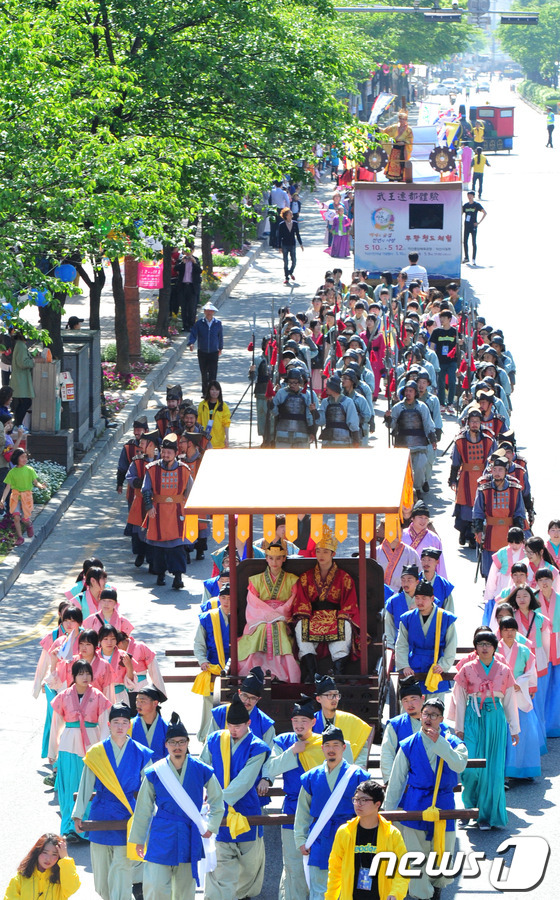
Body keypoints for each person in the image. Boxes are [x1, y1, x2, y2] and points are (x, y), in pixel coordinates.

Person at [264, 698, 353, 900]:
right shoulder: (284, 741)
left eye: (304, 720)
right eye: (295, 720)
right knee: (294, 865)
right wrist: (292, 752)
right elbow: (270, 768)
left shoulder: (326, 742)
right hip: (293, 809)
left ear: (313, 722)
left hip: (326, 812)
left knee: (326, 866)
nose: (299, 724)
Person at [129, 713, 224, 900]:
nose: (177, 746)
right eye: (172, 742)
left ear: (188, 743)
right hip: (161, 833)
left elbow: (217, 798)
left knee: (184, 892)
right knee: (155, 887)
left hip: (189, 834)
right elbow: (143, 808)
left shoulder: (201, 769)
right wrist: (139, 838)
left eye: (181, 742)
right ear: (166, 745)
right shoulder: (155, 772)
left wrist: (211, 826)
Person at [385, 698, 467, 900]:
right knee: (414, 855)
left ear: (441, 718)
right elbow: (396, 781)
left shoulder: (453, 742)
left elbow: (459, 766)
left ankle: (436, 887)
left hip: (443, 804)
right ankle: (424, 895)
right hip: (415, 803)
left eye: (434, 715)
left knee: (442, 852)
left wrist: (440, 744)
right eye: (425, 714)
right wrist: (389, 811)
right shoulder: (408, 744)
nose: (428, 718)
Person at [72, 702, 154, 900]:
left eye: (124, 722)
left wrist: (149, 816)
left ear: (129, 725)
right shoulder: (97, 752)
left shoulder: (141, 752)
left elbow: (151, 787)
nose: (120, 726)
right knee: (101, 876)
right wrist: (77, 816)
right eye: (116, 722)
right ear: (108, 725)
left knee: (122, 870)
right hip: (101, 813)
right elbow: (85, 786)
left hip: (128, 814)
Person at [201, 695, 271, 900]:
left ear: (248, 723)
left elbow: (245, 781)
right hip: (218, 812)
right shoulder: (215, 739)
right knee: (220, 866)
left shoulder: (257, 747)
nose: (233, 730)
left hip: (246, 809)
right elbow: (203, 767)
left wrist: (217, 800)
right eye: (230, 725)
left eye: (238, 726)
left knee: (249, 866)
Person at [450, 631, 519, 829]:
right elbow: (460, 699)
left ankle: (486, 815)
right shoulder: (466, 669)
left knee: (492, 769)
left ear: (494, 647)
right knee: (470, 766)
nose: (485, 647)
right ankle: (469, 807)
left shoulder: (504, 670)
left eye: (489, 644)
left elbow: (509, 700)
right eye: (480, 644)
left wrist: (514, 728)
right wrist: (459, 727)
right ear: (476, 647)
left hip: (495, 718)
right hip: (473, 716)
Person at [293, 724, 369, 900]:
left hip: (350, 837)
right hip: (320, 836)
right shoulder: (311, 777)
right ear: (322, 748)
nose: (331, 749)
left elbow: (368, 811)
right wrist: (301, 839)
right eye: (327, 745)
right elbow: (303, 811)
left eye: (336, 745)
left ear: (344, 747)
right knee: (320, 889)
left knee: (350, 887)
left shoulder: (358, 776)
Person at [49, 660, 112, 842]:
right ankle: (70, 829)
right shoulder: (63, 696)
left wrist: (103, 750)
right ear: (74, 676)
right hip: (69, 745)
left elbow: (105, 725)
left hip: (92, 745)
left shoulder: (98, 696)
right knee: (69, 787)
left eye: (88, 673)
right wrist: (52, 751)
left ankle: (88, 827)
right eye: (80, 674)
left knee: (89, 787)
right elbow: (56, 724)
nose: (85, 677)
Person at [293, 524, 361, 680]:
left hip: (336, 616)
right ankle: (311, 673)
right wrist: (306, 615)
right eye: (318, 551)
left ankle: (338, 672)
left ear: (333, 553)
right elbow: (301, 601)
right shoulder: (306, 577)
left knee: (345, 625)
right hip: (312, 615)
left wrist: (342, 615)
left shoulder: (344, 577)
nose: (321, 555)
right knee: (299, 625)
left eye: (325, 551)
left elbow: (350, 604)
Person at [325, 779, 409, 900]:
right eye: (356, 799)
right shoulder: (344, 832)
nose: (358, 804)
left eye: (364, 800)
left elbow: (403, 868)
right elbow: (334, 870)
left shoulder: (392, 834)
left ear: (377, 804)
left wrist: (396, 893)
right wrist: (330, 897)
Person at [237, 540, 300, 681]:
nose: (274, 562)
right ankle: (257, 669)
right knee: (262, 629)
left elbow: (293, 601)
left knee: (277, 628)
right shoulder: (255, 580)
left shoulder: (292, 579)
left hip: (282, 618)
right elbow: (253, 603)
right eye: (271, 558)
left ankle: (282, 673)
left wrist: (278, 615)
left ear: (284, 558)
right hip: (260, 618)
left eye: (278, 558)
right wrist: (268, 616)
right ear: (266, 559)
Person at [141, 433, 193, 589]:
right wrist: (149, 506)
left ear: (176, 454)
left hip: (177, 513)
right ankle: (160, 574)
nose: (165, 455)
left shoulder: (184, 470)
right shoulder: (152, 469)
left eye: (169, 452)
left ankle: (178, 576)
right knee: (159, 547)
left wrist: (189, 510)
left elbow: (190, 491)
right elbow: (146, 490)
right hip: (158, 512)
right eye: (163, 452)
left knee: (177, 547)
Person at [497, 617, 541, 782]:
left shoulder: (524, 650)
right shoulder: (494, 651)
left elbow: (531, 672)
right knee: (503, 734)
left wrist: (520, 683)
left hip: (518, 693)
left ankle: (525, 768)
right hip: (500, 696)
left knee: (526, 731)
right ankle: (505, 773)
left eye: (513, 630)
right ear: (500, 631)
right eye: (506, 630)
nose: (509, 633)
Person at [396, 582, 457, 698]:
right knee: (412, 705)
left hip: (435, 665)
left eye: (424, 598)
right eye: (417, 598)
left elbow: (451, 644)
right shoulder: (407, 618)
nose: (420, 601)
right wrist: (405, 665)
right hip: (413, 665)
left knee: (435, 709)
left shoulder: (445, 617)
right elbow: (401, 644)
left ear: (432, 598)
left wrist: (443, 665)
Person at [449, 407, 496, 547]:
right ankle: (465, 533)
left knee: (481, 505)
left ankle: (476, 535)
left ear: (481, 423)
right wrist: (452, 479)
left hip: (483, 477)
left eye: (477, 421)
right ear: (467, 422)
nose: (474, 424)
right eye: (472, 421)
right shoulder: (460, 441)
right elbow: (456, 462)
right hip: (465, 478)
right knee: (465, 507)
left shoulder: (488, 440)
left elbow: (493, 461)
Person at [472, 457, 526, 578]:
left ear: (506, 471)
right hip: (490, 532)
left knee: (511, 568)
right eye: (494, 469)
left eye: (500, 470)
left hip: (509, 531)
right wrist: (478, 531)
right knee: (490, 569)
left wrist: (519, 534)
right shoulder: (484, 489)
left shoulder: (515, 489)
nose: (497, 473)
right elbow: (477, 512)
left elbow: (519, 513)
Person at [193, 583, 231, 741]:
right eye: (223, 597)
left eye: (230, 598)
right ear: (218, 598)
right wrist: (202, 660)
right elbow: (199, 643)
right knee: (209, 703)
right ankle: (206, 738)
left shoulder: (242, 614)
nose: (227, 601)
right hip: (213, 666)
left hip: (236, 666)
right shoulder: (208, 617)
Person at [386, 383, 437, 495]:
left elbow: (428, 424)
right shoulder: (397, 407)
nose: (408, 393)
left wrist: (433, 439)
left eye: (411, 391)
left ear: (415, 393)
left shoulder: (422, 407)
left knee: (419, 468)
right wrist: (388, 418)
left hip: (419, 445)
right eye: (407, 391)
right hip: (402, 445)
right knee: (402, 472)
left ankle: (418, 488)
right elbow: (392, 426)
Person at [311, 675, 373, 766]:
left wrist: (359, 767)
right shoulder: (311, 723)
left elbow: (362, 746)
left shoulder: (350, 720)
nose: (334, 698)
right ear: (318, 699)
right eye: (329, 695)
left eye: (336, 695)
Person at [4, 834, 80, 900]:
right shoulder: (20, 878)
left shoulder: (61, 878)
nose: (48, 858)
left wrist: (65, 859)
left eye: (54, 854)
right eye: (45, 852)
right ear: (37, 852)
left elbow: (71, 888)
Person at [380, 680, 426, 784]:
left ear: (422, 699)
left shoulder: (433, 722)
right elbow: (387, 752)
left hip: (428, 779)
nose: (410, 704)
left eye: (413, 699)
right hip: (403, 780)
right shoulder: (395, 725)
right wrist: (389, 781)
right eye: (405, 700)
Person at [0, 448, 47, 546]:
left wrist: (40, 486)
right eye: (22, 457)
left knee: (25, 519)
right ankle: (20, 537)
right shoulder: (12, 472)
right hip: (15, 497)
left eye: (26, 457)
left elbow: (35, 482)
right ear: (16, 458)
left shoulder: (30, 470)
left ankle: (29, 525)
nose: (25, 459)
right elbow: (7, 487)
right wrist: (2, 499)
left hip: (27, 497)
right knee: (16, 517)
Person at [271, 370, 317, 448]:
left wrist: (312, 431)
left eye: (295, 382)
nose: (292, 385)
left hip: (301, 433)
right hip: (283, 432)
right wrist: (270, 401)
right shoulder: (281, 393)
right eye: (290, 382)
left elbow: (309, 416)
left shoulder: (307, 395)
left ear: (299, 382)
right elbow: (274, 411)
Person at [402, 502, 447, 578]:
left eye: (426, 518)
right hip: (405, 579)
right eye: (420, 517)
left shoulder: (434, 538)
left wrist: (441, 584)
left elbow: (440, 564)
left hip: (426, 580)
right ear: (412, 518)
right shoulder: (402, 536)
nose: (423, 521)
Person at [188, 302, 224, 395]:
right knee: (204, 373)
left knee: (213, 373)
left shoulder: (218, 323)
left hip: (214, 352)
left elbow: (220, 336)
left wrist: (220, 348)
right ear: (204, 312)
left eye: (211, 311)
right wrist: (191, 343)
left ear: (213, 312)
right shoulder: (199, 323)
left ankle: (213, 392)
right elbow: (193, 334)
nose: (209, 313)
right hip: (202, 352)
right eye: (207, 311)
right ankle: (205, 392)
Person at [130, 685, 169, 762]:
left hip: (159, 772)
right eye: (137, 701)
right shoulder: (129, 726)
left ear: (155, 703)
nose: (138, 704)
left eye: (142, 701)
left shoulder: (167, 727)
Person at [429, 309, 458, 412]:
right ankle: (442, 403)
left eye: (444, 318)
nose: (442, 320)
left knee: (451, 381)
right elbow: (432, 346)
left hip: (452, 361)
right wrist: (431, 359)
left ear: (449, 319)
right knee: (440, 382)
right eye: (441, 317)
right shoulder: (437, 332)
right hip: (440, 361)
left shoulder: (455, 332)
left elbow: (458, 347)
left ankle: (450, 403)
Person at [117, 416, 149, 501]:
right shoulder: (129, 447)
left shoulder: (153, 446)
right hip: (133, 489)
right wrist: (119, 484)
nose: (136, 433)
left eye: (139, 430)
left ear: (146, 431)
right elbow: (122, 467)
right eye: (135, 430)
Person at [9, 331, 35, 427]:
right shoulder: (21, 346)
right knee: (26, 402)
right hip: (21, 380)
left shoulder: (19, 345)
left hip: (20, 379)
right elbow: (22, 363)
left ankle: (17, 424)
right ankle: (18, 424)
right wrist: (34, 361)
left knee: (22, 403)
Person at [176, 245, 202, 332]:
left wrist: (194, 263)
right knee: (184, 307)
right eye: (186, 251)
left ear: (193, 251)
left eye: (190, 251)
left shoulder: (196, 260)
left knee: (192, 307)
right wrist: (182, 262)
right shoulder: (181, 260)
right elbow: (176, 268)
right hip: (183, 286)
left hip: (192, 287)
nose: (188, 253)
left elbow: (199, 271)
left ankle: (192, 325)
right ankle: (185, 325)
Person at [198, 381, 231, 449]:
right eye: (212, 389)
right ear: (209, 391)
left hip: (219, 442)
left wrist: (227, 438)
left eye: (217, 390)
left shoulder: (223, 406)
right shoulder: (202, 405)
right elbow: (198, 422)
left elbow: (226, 423)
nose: (214, 392)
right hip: (205, 442)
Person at [382, 109, 413, 182]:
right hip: (395, 148)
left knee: (402, 163)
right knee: (392, 163)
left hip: (403, 149)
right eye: (401, 119)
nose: (402, 121)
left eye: (404, 119)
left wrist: (404, 142)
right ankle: (391, 178)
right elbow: (384, 132)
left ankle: (401, 178)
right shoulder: (394, 127)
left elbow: (410, 139)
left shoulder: (409, 129)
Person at [278, 208, 304, 285]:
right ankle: (286, 277)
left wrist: (301, 244)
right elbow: (279, 236)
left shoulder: (295, 223)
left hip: (292, 244)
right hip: (284, 244)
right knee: (285, 262)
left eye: (291, 213)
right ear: (286, 215)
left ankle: (290, 272)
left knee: (294, 261)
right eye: (289, 213)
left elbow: (297, 234)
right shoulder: (281, 224)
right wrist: (279, 247)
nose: (291, 214)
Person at [462, 190, 486, 265]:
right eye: (468, 195)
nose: (469, 197)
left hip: (473, 225)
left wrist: (478, 222)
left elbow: (484, 213)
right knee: (465, 241)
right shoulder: (465, 205)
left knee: (473, 242)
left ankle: (473, 259)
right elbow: (461, 213)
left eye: (471, 195)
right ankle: (466, 257)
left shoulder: (476, 205)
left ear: (473, 196)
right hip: (466, 225)